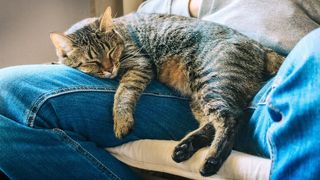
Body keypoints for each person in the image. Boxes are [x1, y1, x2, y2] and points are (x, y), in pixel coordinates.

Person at [0, 0, 319, 179]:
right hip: (171, 86)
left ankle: (217, 125)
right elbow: (120, 29)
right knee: (6, 91)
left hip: (283, 84)